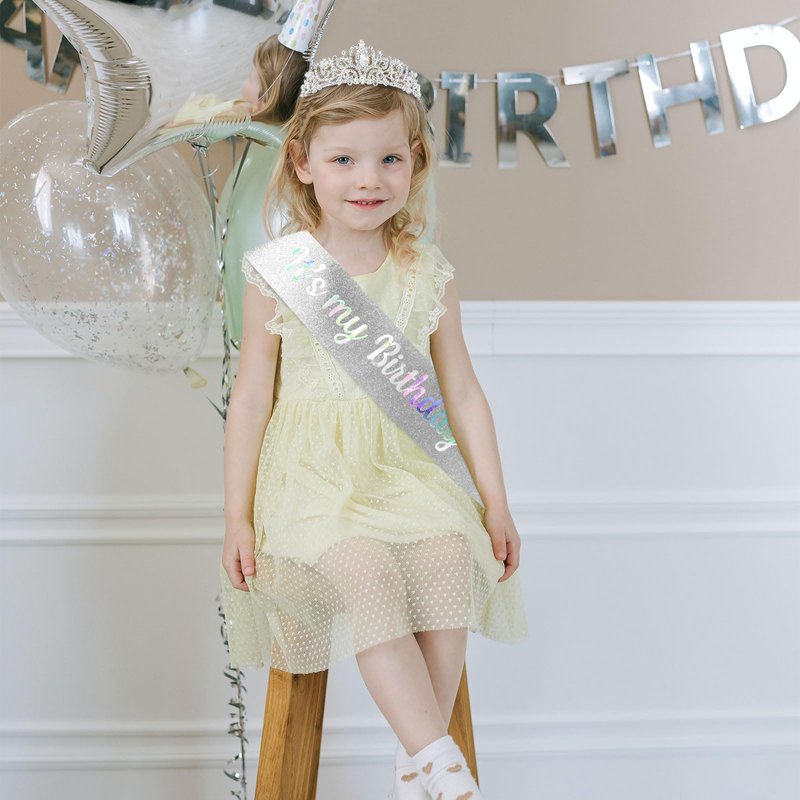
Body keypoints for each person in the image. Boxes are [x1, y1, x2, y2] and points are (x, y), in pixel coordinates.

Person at [219, 38, 529, 800]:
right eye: (344, 160)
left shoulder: (427, 272)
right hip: (313, 489)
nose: (368, 179)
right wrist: (236, 517)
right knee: (364, 567)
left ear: (415, 162)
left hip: (407, 473)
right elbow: (251, 399)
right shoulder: (280, 274)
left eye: (389, 159)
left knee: (450, 554)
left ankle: (418, 761)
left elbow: (463, 394)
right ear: (303, 163)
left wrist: (495, 502)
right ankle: (440, 762)